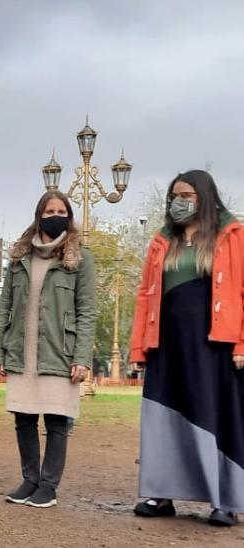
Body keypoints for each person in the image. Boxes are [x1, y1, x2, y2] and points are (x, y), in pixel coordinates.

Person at [130, 170, 244, 527]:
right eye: (175, 195)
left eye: (187, 195)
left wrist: (241, 342)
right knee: (163, 417)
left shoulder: (232, 235)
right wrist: (138, 348)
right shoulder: (163, 240)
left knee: (216, 416)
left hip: (214, 347)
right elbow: (146, 296)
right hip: (166, 344)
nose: (179, 202)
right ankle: (161, 494)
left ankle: (224, 500)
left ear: (205, 197)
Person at [0, 190, 96, 509]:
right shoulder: (20, 257)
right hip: (22, 352)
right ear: (39, 215)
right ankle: (30, 480)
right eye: (49, 210)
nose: (55, 215)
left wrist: (81, 357)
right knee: (23, 419)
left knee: (56, 421)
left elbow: (87, 310)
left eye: (61, 210)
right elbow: (5, 305)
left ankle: (48, 487)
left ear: (69, 216)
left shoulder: (81, 258)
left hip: (59, 353)